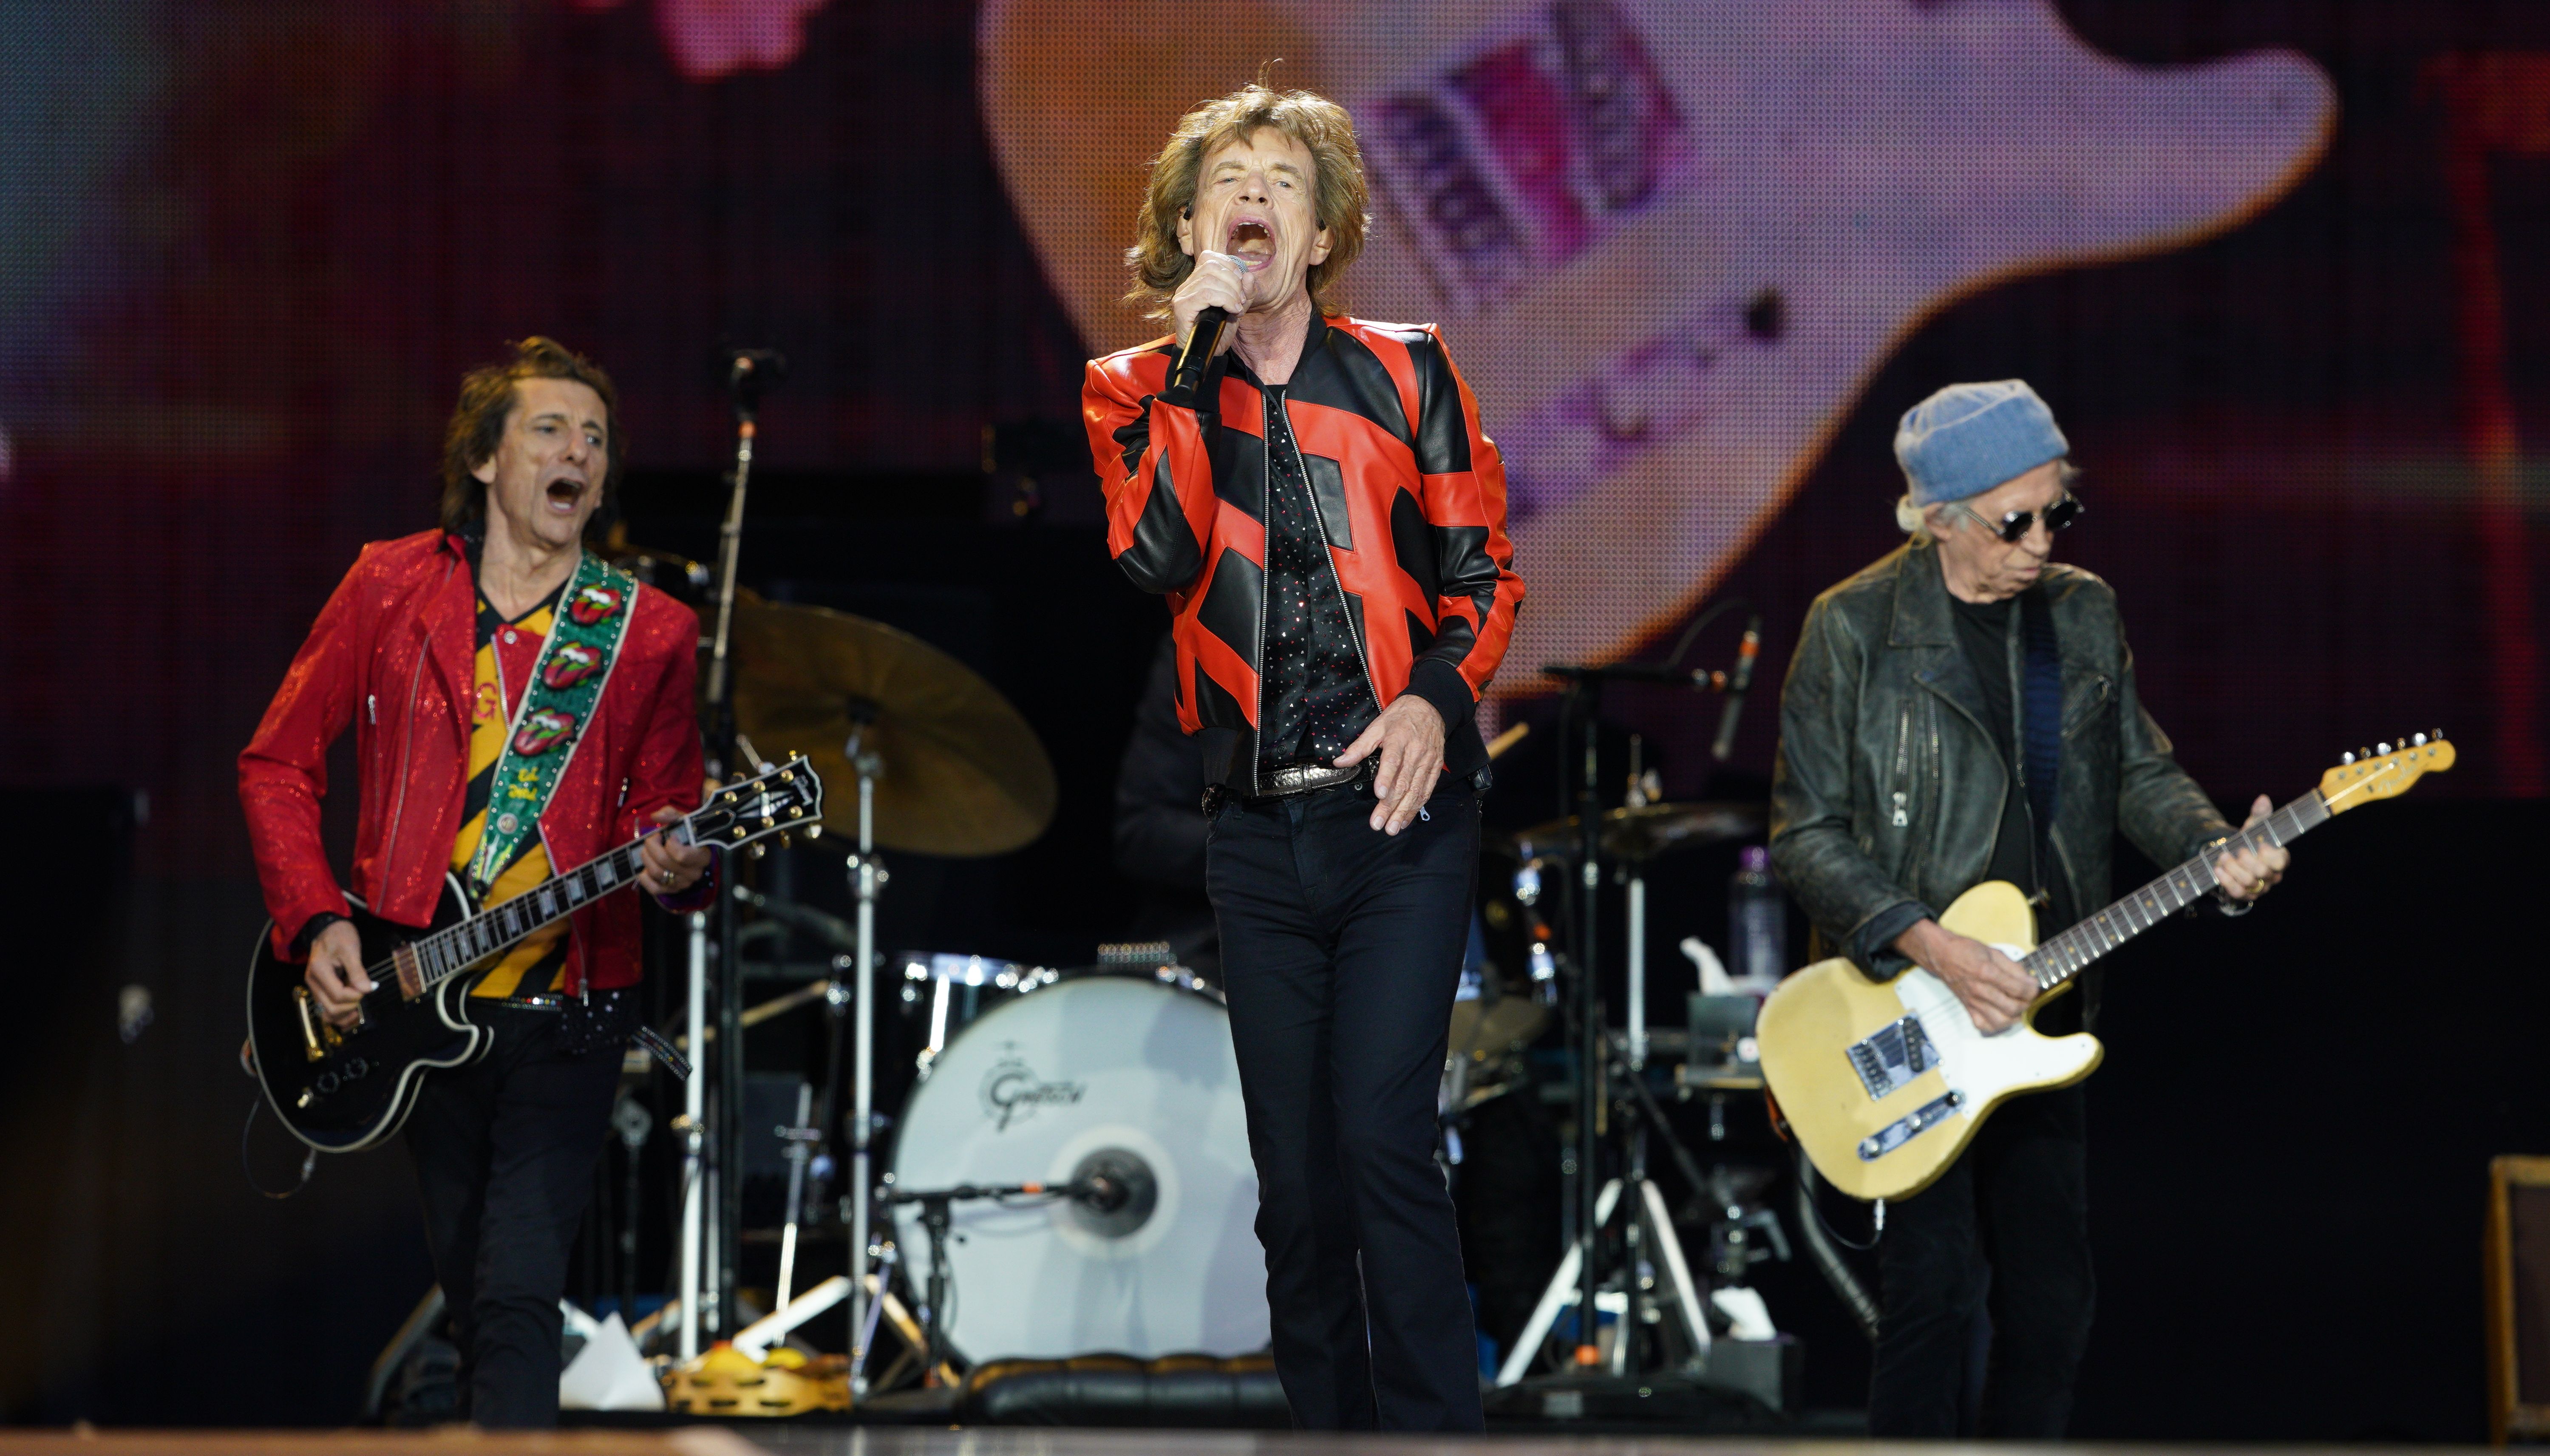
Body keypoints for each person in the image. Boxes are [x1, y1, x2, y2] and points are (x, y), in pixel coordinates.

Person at [1081, 83, 1526, 1431]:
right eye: (1230, 178)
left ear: (1324, 235)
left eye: (1284, 179)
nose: (1255, 195)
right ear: (1190, 227)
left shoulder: (1408, 369)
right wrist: (1193, 358)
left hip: (1398, 822)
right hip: (1257, 837)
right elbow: (1158, 553)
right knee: (1296, 1184)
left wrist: (1436, 700)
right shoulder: (1133, 388)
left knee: (1386, 1138)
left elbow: (1484, 571)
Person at [1768, 380, 2289, 1436]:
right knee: (1931, 1296)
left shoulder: (2081, 612)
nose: (2043, 542)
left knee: (2053, 1307)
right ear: (1939, 518)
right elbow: (1804, 835)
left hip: (2038, 999)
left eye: (2061, 512)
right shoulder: (1853, 627)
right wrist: (1933, 947)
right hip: (1913, 1004)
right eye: (2016, 522)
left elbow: (2138, 770)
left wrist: (2214, 849)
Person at [239, 338, 715, 1428]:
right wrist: (316, 922)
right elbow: (276, 765)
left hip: (572, 1015)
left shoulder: (648, 631)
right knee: (472, 1301)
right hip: (418, 1000)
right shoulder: (390, 585)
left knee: (516, 1294)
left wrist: (683, 861)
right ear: (488, 460)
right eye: (551, 430)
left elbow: (669, 820)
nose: (578, 453)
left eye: (595, 438)